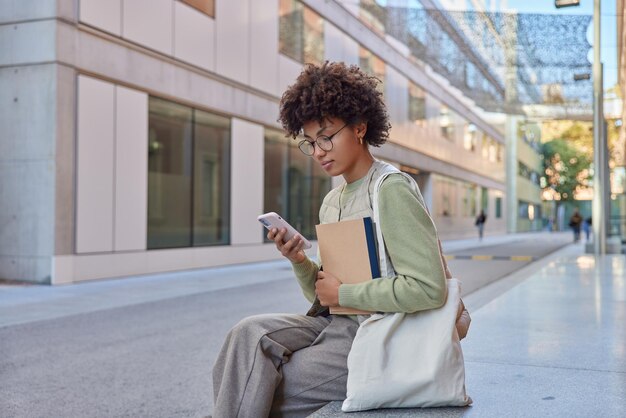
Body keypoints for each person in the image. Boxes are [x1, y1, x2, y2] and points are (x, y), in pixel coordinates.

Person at [212, 62, 470, 418]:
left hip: (379, 333)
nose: (318, 151)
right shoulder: (333, 200)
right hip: (335, 323)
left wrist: (344, 294)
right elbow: (324, 295)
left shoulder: (390, 189)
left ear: (360, 128)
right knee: (247, 336)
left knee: (258, 383)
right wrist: (300, 261)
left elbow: (429, 289)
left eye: (327, 137)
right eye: (310, 142)